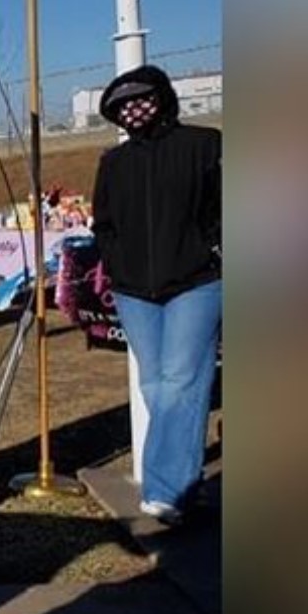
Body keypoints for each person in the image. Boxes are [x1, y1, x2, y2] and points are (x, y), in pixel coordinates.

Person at [90, 65, 221, 524]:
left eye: (142, 99)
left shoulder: (204, 146)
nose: (134, 109)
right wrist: (116, 261)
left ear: (163, 98)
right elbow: (102, 223)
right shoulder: (113, 163)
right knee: (155, 383)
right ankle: (182, 480)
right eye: (124, 105)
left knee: (181, 381)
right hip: (134, 291)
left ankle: (166, 488)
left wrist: (213, 249)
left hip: (196, 282)